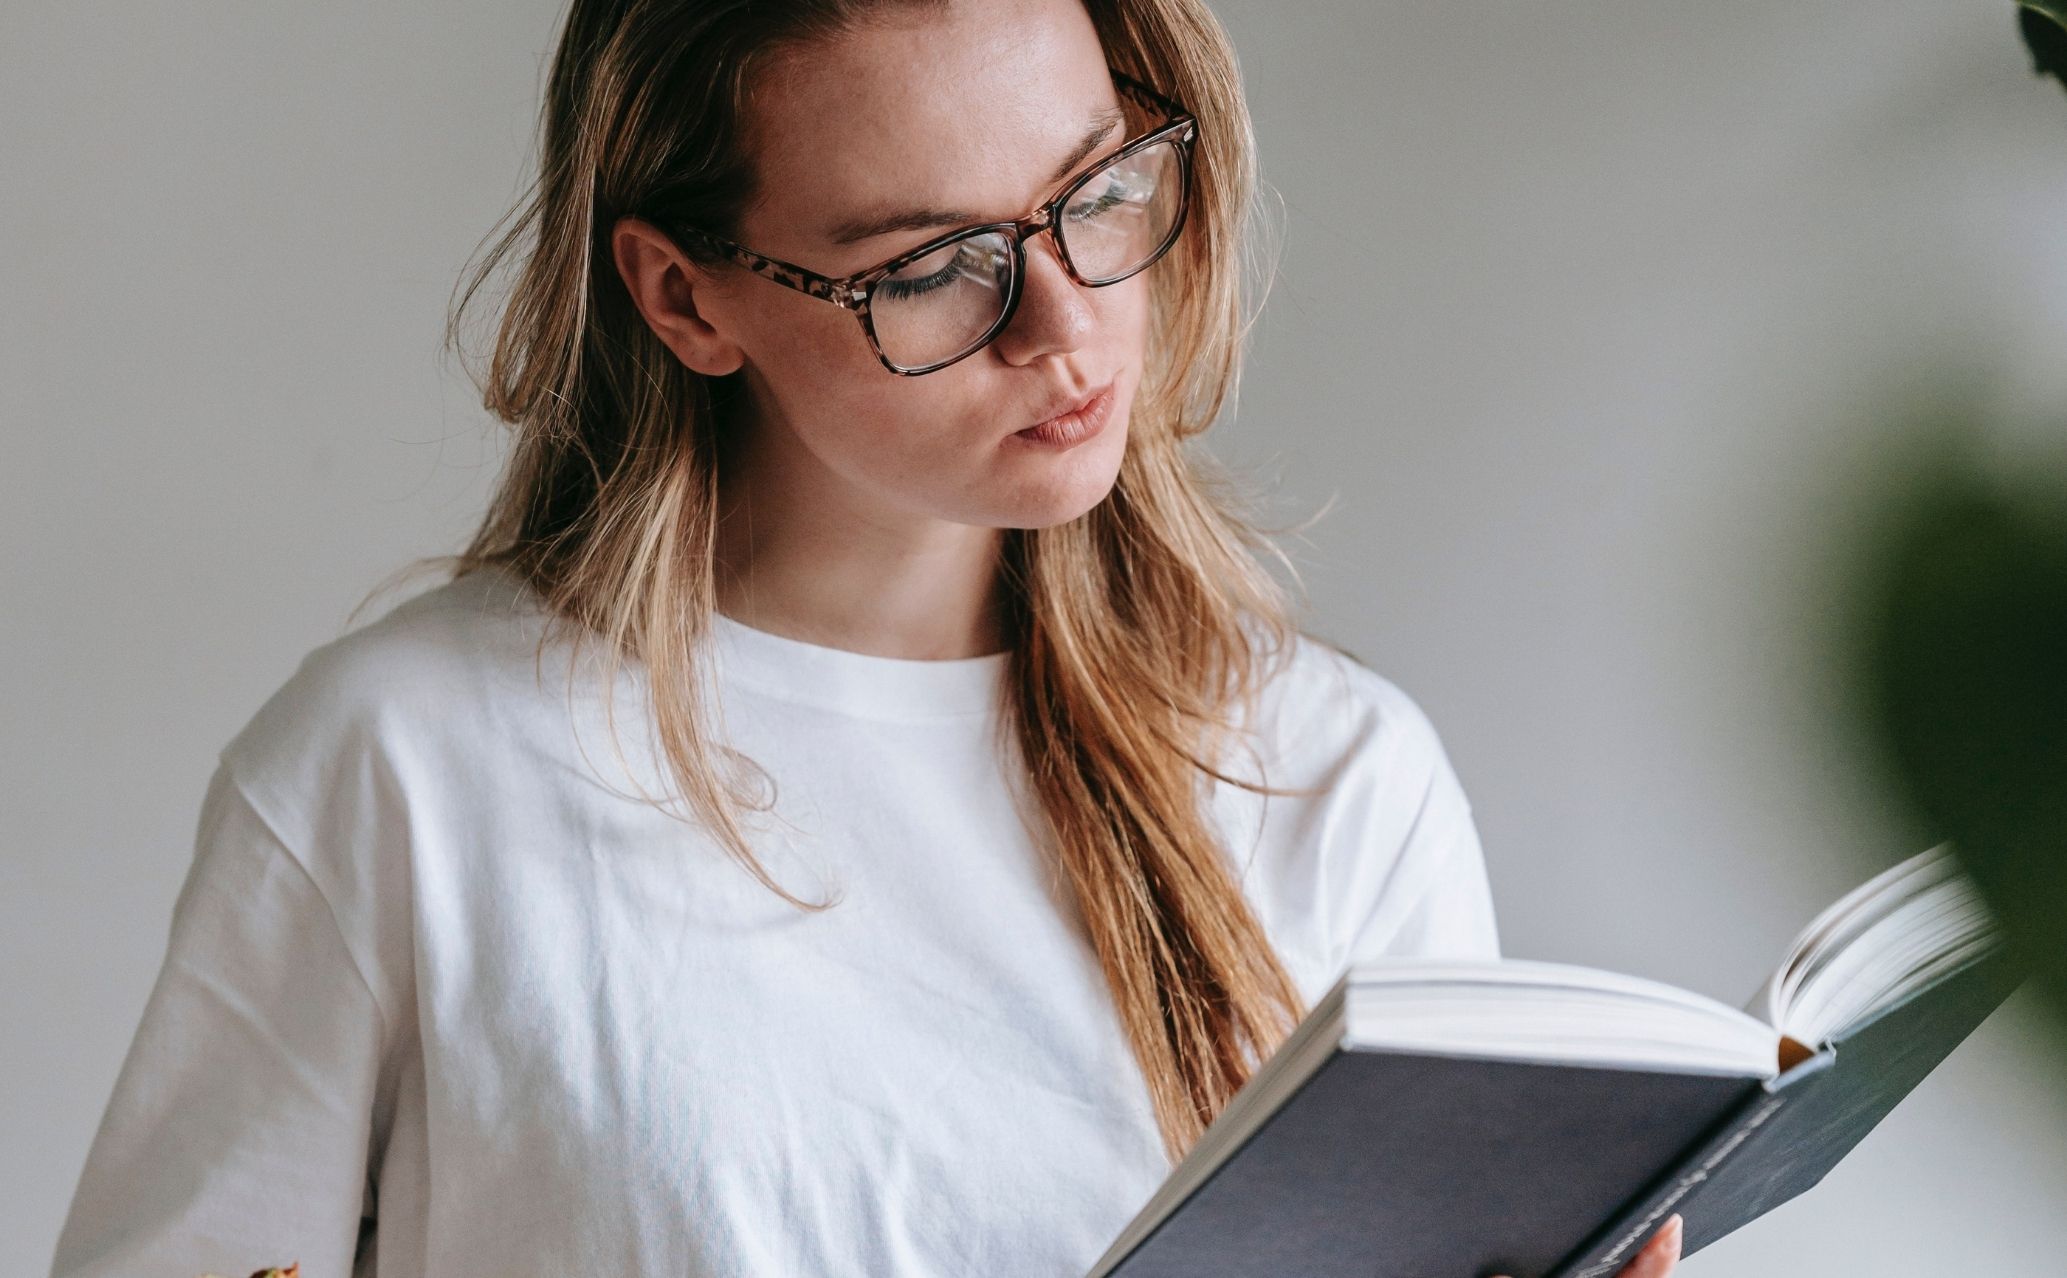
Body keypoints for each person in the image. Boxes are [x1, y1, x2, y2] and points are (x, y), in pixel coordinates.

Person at [48, 1, 1683, 1275]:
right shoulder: (403, 770)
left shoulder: (1333, 778)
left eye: (1096, 190)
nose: (1063, 325)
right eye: (931, 268)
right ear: (687, 299)